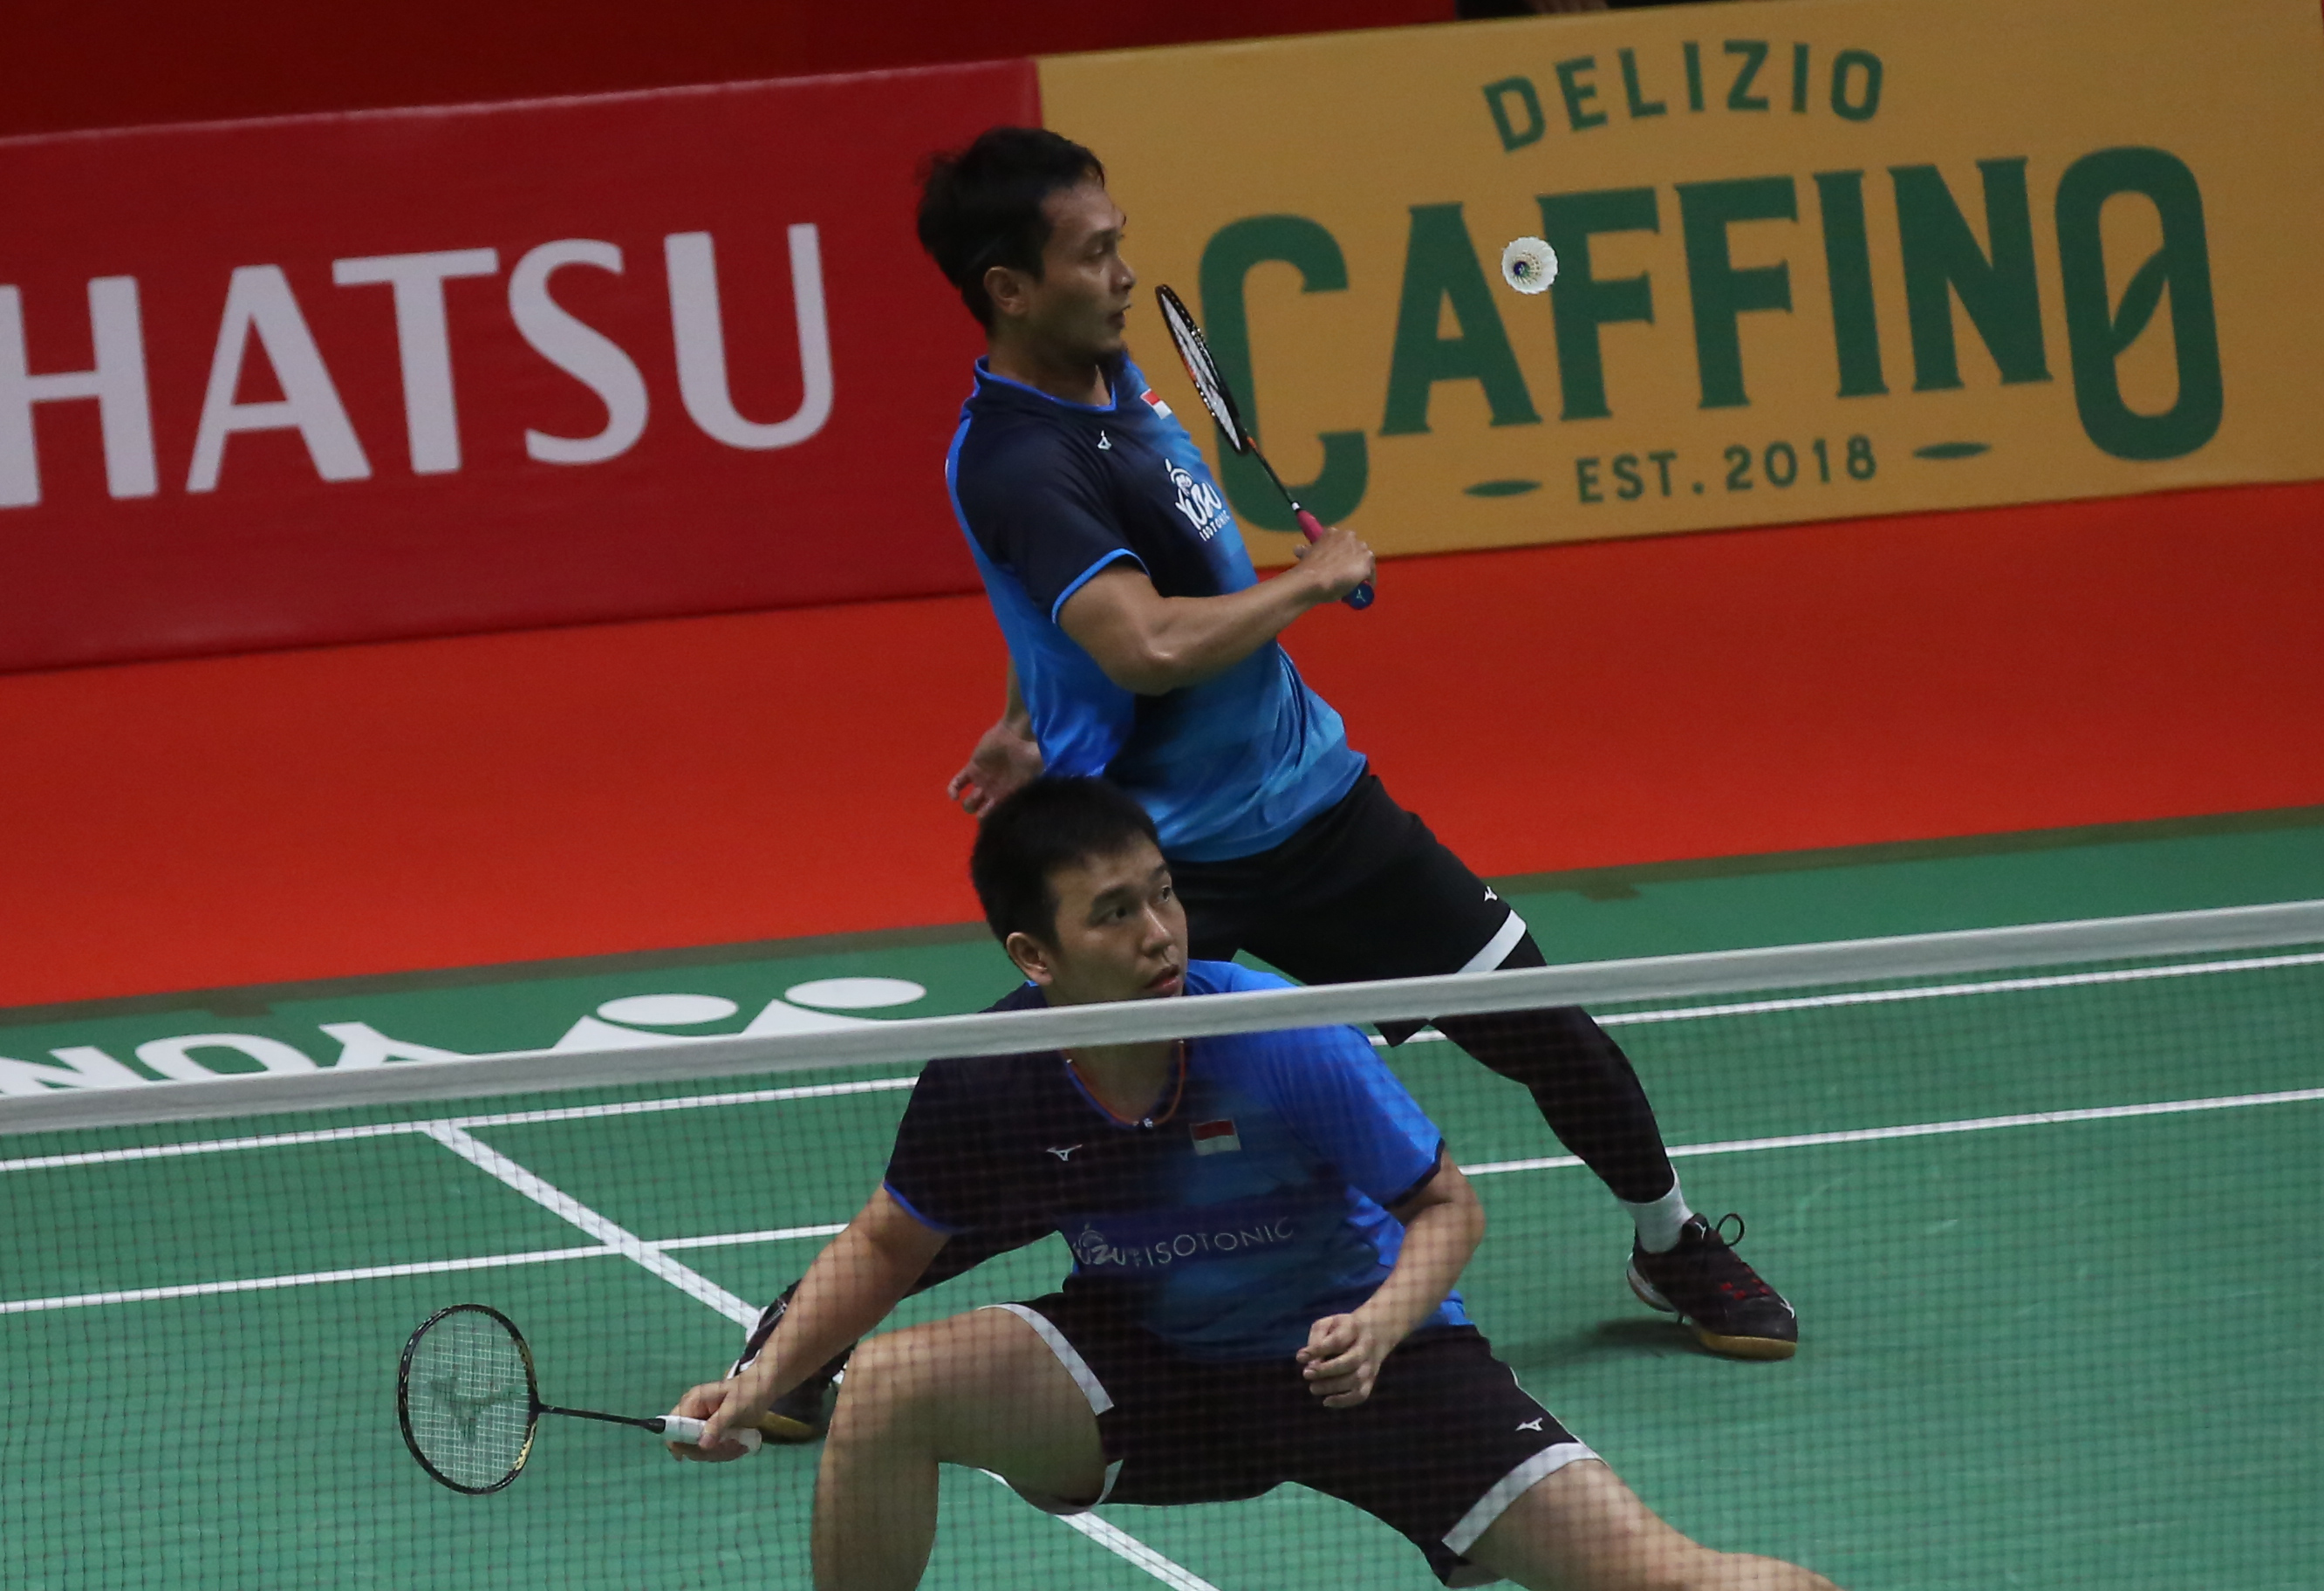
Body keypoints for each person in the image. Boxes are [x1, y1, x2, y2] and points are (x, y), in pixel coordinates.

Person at [736, 123, 1793, 1439]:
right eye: (1097, 251)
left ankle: (1669, 1239)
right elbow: (1146, 640)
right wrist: (1318, 577)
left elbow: (1143, 572)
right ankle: (803, 1333)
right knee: (1070, 1134)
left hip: (1319, 804)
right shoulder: (1020, 456)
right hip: (1172, 864)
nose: (1126, 271)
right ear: (1010, 286)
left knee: (1545, 1025)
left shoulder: (1119, 386)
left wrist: (1022, 710)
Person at [670, 777, 1838, 1591]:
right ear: (1035, 957)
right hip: (1148, 1360)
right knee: (891, 1387)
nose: (1160, 934)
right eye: (1113, 913)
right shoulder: (996, 1077)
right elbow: (887, 1244)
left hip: (1375, 1366)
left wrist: (1382, 1325)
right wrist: (761, 1375)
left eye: (1162, 894)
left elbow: (1447, 1205)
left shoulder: (1282, 1037)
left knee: (1661, 1579)